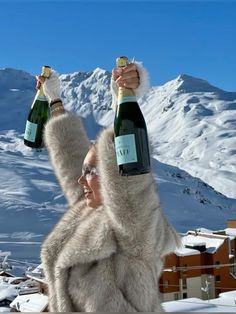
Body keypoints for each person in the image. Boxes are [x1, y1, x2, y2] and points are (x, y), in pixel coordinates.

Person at [39, 61, 180, 312]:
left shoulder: (136, 229)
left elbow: (131, 187)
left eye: (91, 172)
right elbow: (70, 157)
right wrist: (54, 100)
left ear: (115, 175)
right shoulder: (88, 213)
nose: (81, 180)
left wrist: (124, 102)